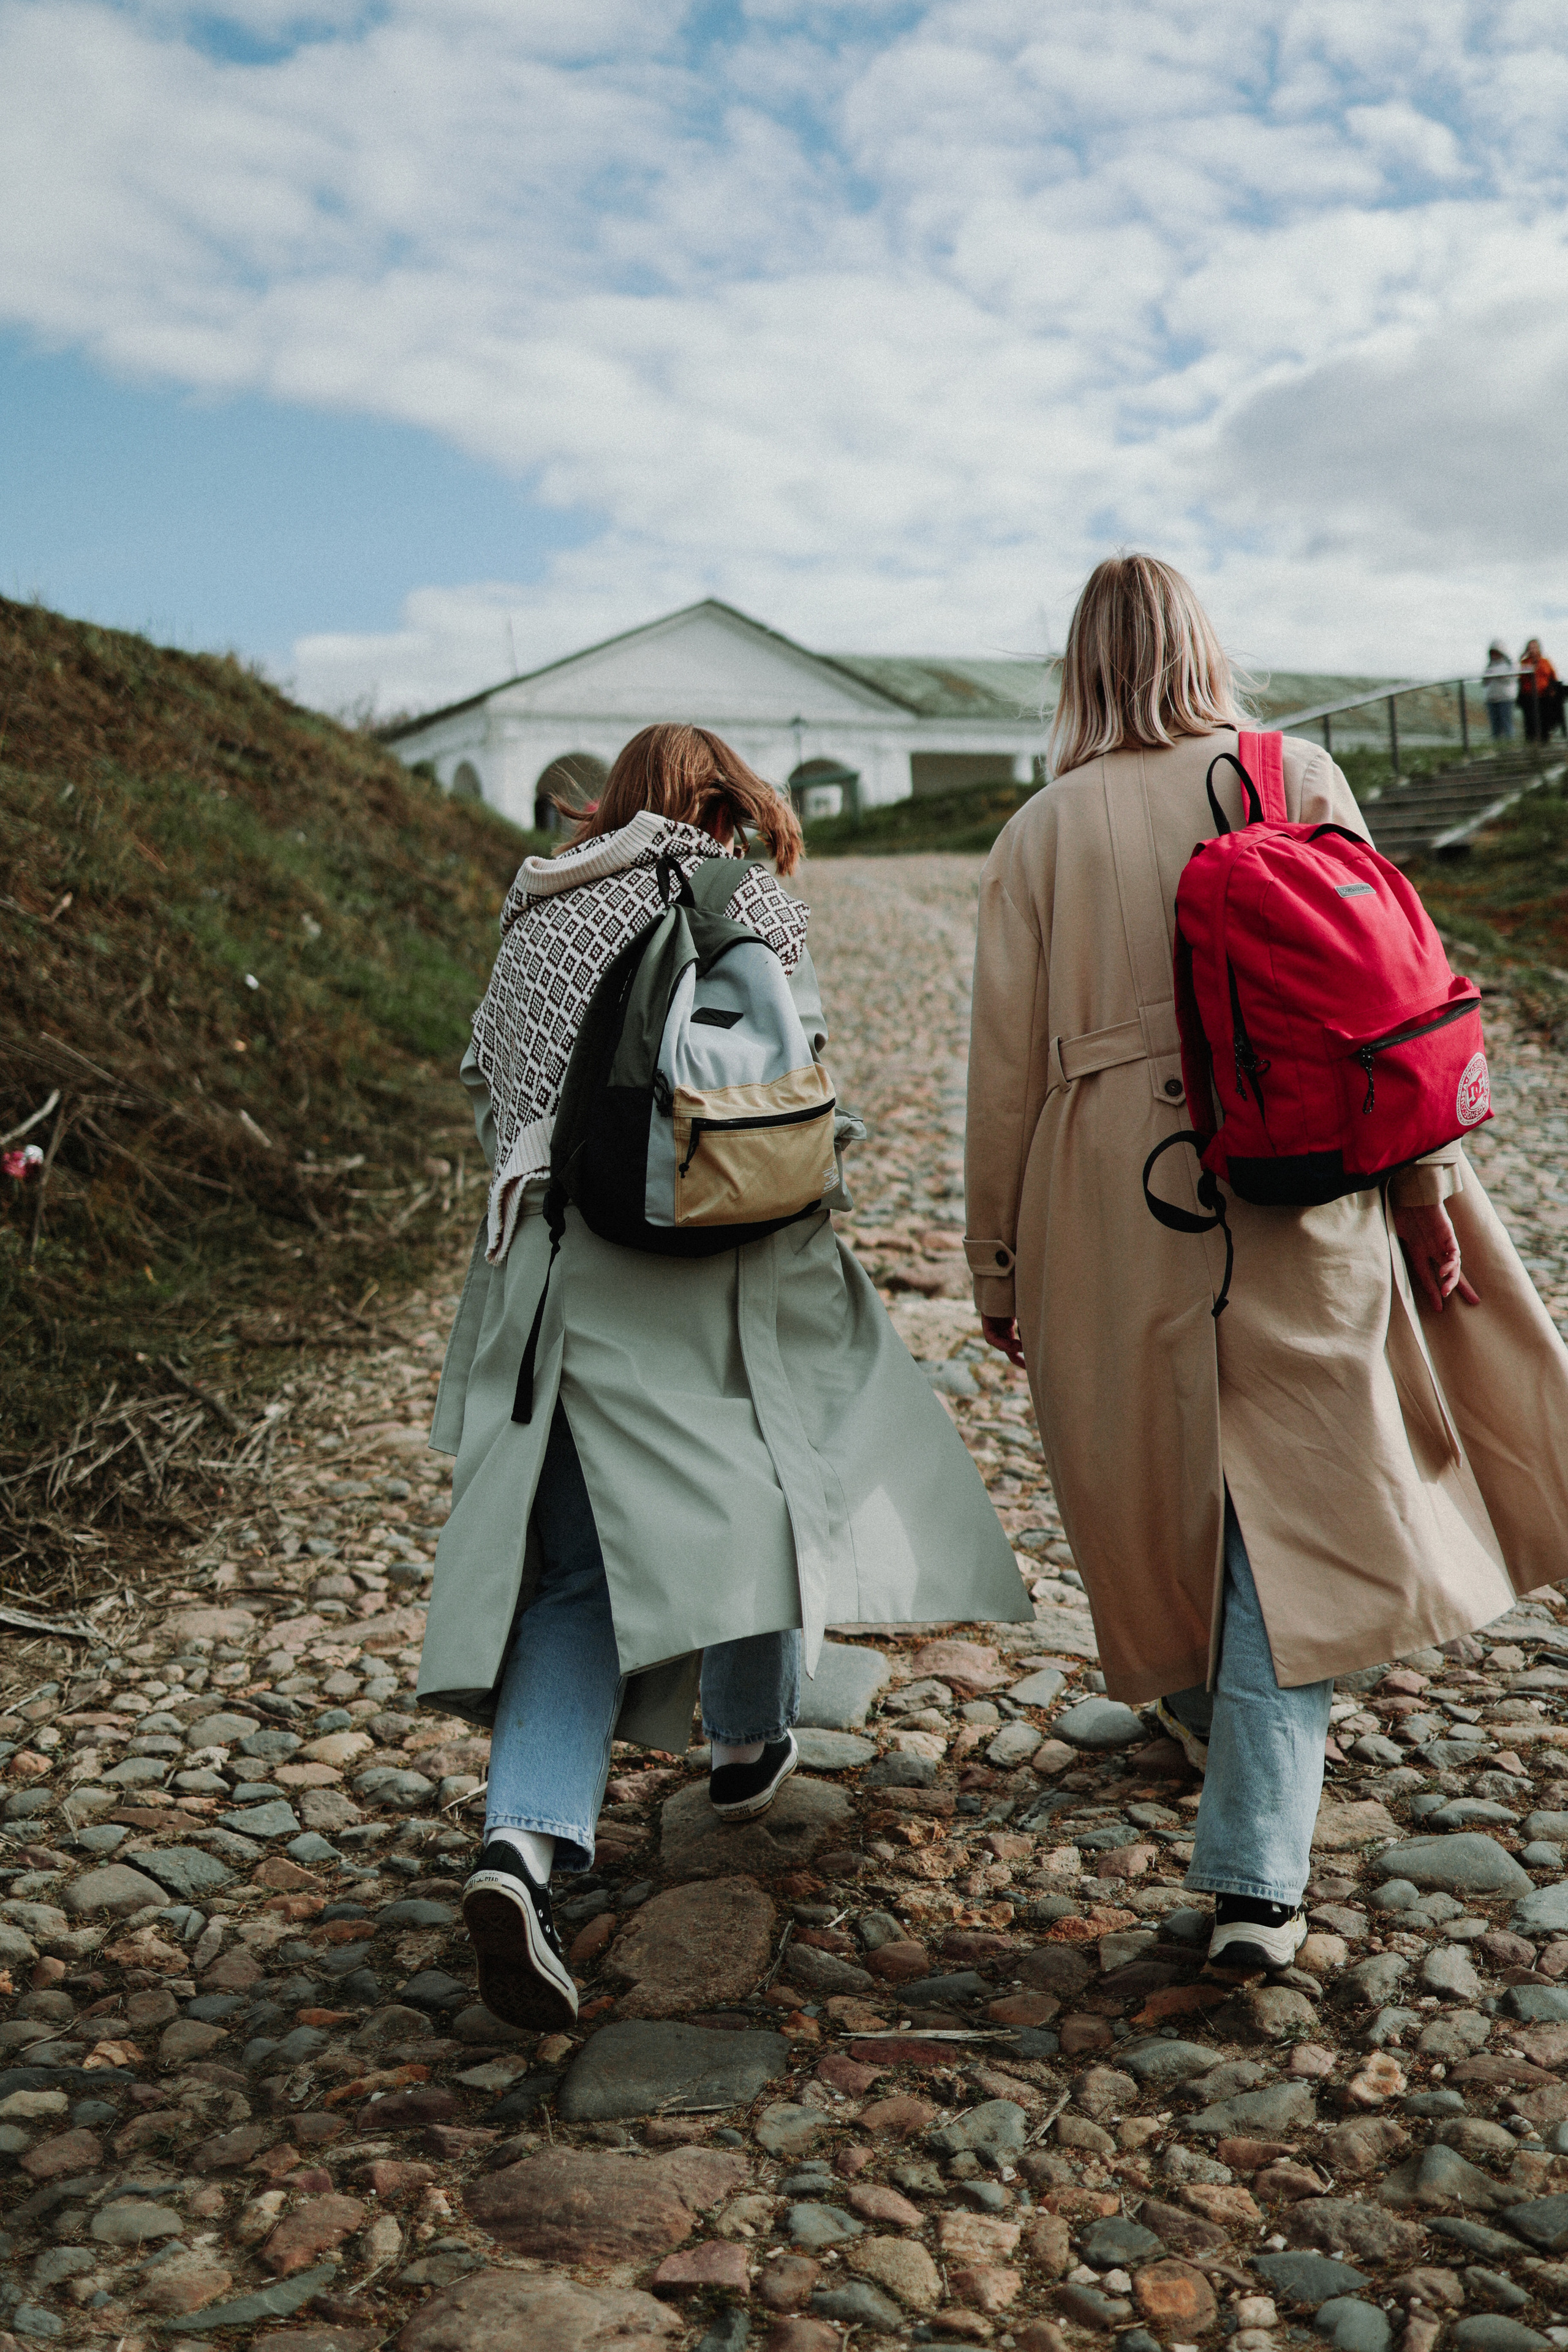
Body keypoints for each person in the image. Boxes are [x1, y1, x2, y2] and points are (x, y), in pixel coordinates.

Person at [965, 555, 1568, 1976]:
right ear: (1199, 645)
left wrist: (995, 1259)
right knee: (1301, 1492)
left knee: (1145, 1473)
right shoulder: (1289, 769)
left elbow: (998, 1073)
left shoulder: (1037, 830)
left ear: (1079, 669)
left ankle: (1207, 1733)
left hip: (1106, 1178)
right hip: (1302, 1168)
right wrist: (1422, 1196)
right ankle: (1253, 1872)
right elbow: (1390, 1007)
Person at [418, 723, 1030, 2026]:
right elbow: (795, 1086)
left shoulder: (528, 915)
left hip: (558, 1272)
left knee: (574, 1577)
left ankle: (517, 1850)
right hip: (712, 1265)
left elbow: (489, 1099)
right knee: (762, 1486)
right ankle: (749, 1746)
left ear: (608, 802)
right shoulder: (736, 892)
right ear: (721, 804)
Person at [1519, 639, 1561, 744]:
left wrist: (1552, 690)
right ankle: (1531, 743)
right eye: (1530, 647)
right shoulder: (1524, 662)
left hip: (1544, 696)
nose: (1533, 650)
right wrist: (1522, 658)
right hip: (1529, 696)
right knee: (1530, 721)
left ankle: (1545, 741)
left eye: (1534, 647)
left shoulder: (1545, 662)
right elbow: (1519, 677)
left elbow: (1553, 677)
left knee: (1545, 720)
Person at [1482, 642, 1515, 741]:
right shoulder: (1489, 666)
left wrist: (1500, 676)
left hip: (1505, 698)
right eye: (1492, 653)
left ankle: (1510, 743)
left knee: (1507, 723)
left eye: (1496, 653)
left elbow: (1510, 679)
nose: (1494, 655)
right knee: (1495, 726)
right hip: (1492, 698)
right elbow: (1484, 682)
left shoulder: (1508, 665)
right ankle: (1497, 744)